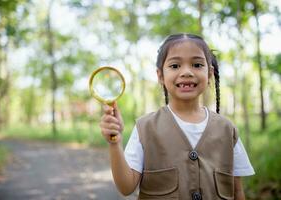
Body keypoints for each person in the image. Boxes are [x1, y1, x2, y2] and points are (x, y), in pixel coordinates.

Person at [99, 33, 255, 200]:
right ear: (160, 76)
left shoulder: (227, 130)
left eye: (196, 64)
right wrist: (114, 143)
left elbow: (237, 191)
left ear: (209, 73)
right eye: (175, 66)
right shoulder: (145, 128)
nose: (186, 72)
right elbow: (126, 187)